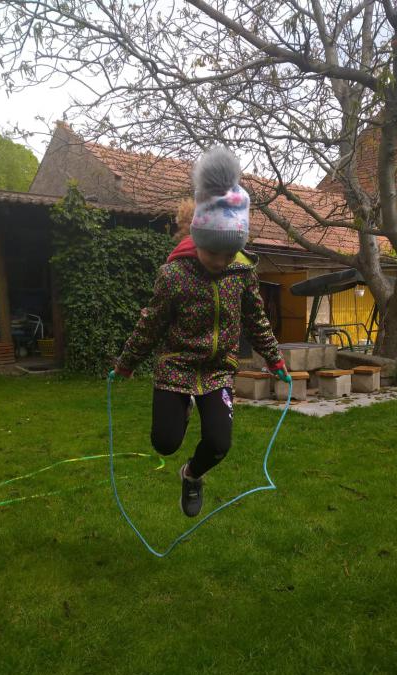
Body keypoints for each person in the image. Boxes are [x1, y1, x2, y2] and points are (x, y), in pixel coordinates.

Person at [111, 146, 291, 517]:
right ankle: (183, 409)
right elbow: (151, 324)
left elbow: (256, 319)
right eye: (214, 253)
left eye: (229, 254)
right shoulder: (173, 276)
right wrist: (126, 364)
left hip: (217, 371)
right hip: (176, 367)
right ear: (198, 240)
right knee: (164, 443)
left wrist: (274, 359)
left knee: (219, 444)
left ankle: (192, 476)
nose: (221, 262)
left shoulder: (241, 273)